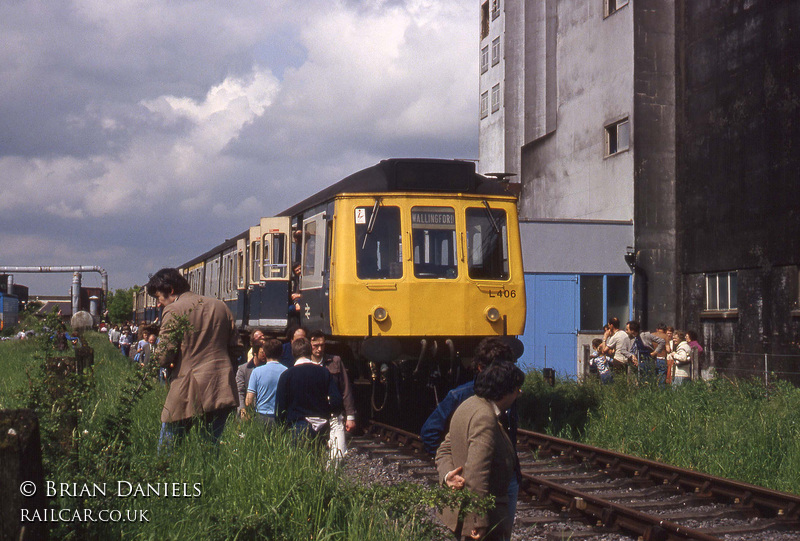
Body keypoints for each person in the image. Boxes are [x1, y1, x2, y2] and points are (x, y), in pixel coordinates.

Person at [420, 337, 520, 531]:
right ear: (482, 369)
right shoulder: (462, 396)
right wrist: (453, 470)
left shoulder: (509, 392)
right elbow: (430, 433)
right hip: (476, 486)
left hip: (507, 481)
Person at [146, 268, 239, 448]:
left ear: (171, 290)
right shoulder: (220, 306)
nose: (158, 304)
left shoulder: (174, 310)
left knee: (168, 451)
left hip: (187, 388)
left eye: (158, 297)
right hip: (221, 387)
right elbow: (236, 348)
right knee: (211, 450)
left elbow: (164, 355)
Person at [436, 361, 525, 541]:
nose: (518, 394)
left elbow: (444, 449)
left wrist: (447, 475)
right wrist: (477, 521)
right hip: (485, 516)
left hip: (462, 510)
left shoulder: (468, 405)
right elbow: (477, 473)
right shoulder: (485, 417)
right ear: (506, 390)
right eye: (517, 389)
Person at [275, 337, 343, 442]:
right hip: (321, 426)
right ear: (310, 351)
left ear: (293, 353)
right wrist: (328, 412)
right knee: (320, 457)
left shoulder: (286, 375)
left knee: (299, 458)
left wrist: (282, 427)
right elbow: (337, 400)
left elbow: (280, 407)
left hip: (297, 426)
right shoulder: (324, 372)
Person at [309, 330, 357, 461]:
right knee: (314, 455)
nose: (319, 349)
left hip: (334, 415)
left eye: (322, 345)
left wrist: (350, 416)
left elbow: (345, 389)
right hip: (312, 416)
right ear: (309, 345)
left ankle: (332, 477)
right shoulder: (304, 364)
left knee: (339, 455)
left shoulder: (334, 361)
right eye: (315, 345)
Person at [245, 339, 287, 426]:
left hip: (261, 417)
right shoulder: (287, 371)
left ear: (265, 353)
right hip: (280, 417)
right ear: (282, 353)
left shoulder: (257, 372)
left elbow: (249, 400)